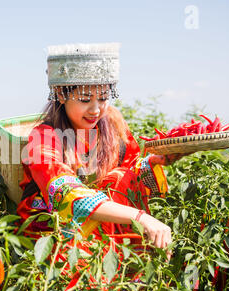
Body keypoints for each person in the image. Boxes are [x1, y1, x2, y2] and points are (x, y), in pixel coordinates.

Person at [16, 43, 188, 255]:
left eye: (104, 98)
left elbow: (130, 171)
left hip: (107, 227)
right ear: (61, 95)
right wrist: (140, 217)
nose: (96, 109)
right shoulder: (43, 137)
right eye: (85, 99)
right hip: (58, 233)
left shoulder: (113, 125)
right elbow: (66, 194)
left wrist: (154, 162)